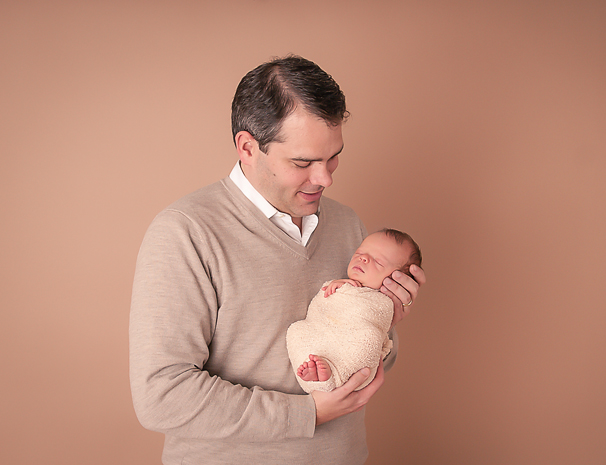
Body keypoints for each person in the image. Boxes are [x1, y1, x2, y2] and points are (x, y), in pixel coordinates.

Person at [129, 55, 425, 465]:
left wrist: (385, 320)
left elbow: (371, 360)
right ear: (248, 148)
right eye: (303, 163)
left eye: (333, 156)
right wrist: (308, 414)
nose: (325, 178)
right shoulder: (185, 232)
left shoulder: (348, 224)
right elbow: (162, 396)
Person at [288, 229, 422, 394]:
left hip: (350, 348)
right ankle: (314, 370)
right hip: (323, 338)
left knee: (369, 338)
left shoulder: (384, 302)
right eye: (360, 252)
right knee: (296, 330)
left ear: (397, 281)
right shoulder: (344, 284)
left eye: (378, 262)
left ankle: (333, 375)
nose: (363, 258)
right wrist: (338, 287)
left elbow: (371, 322)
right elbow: (321, 307)